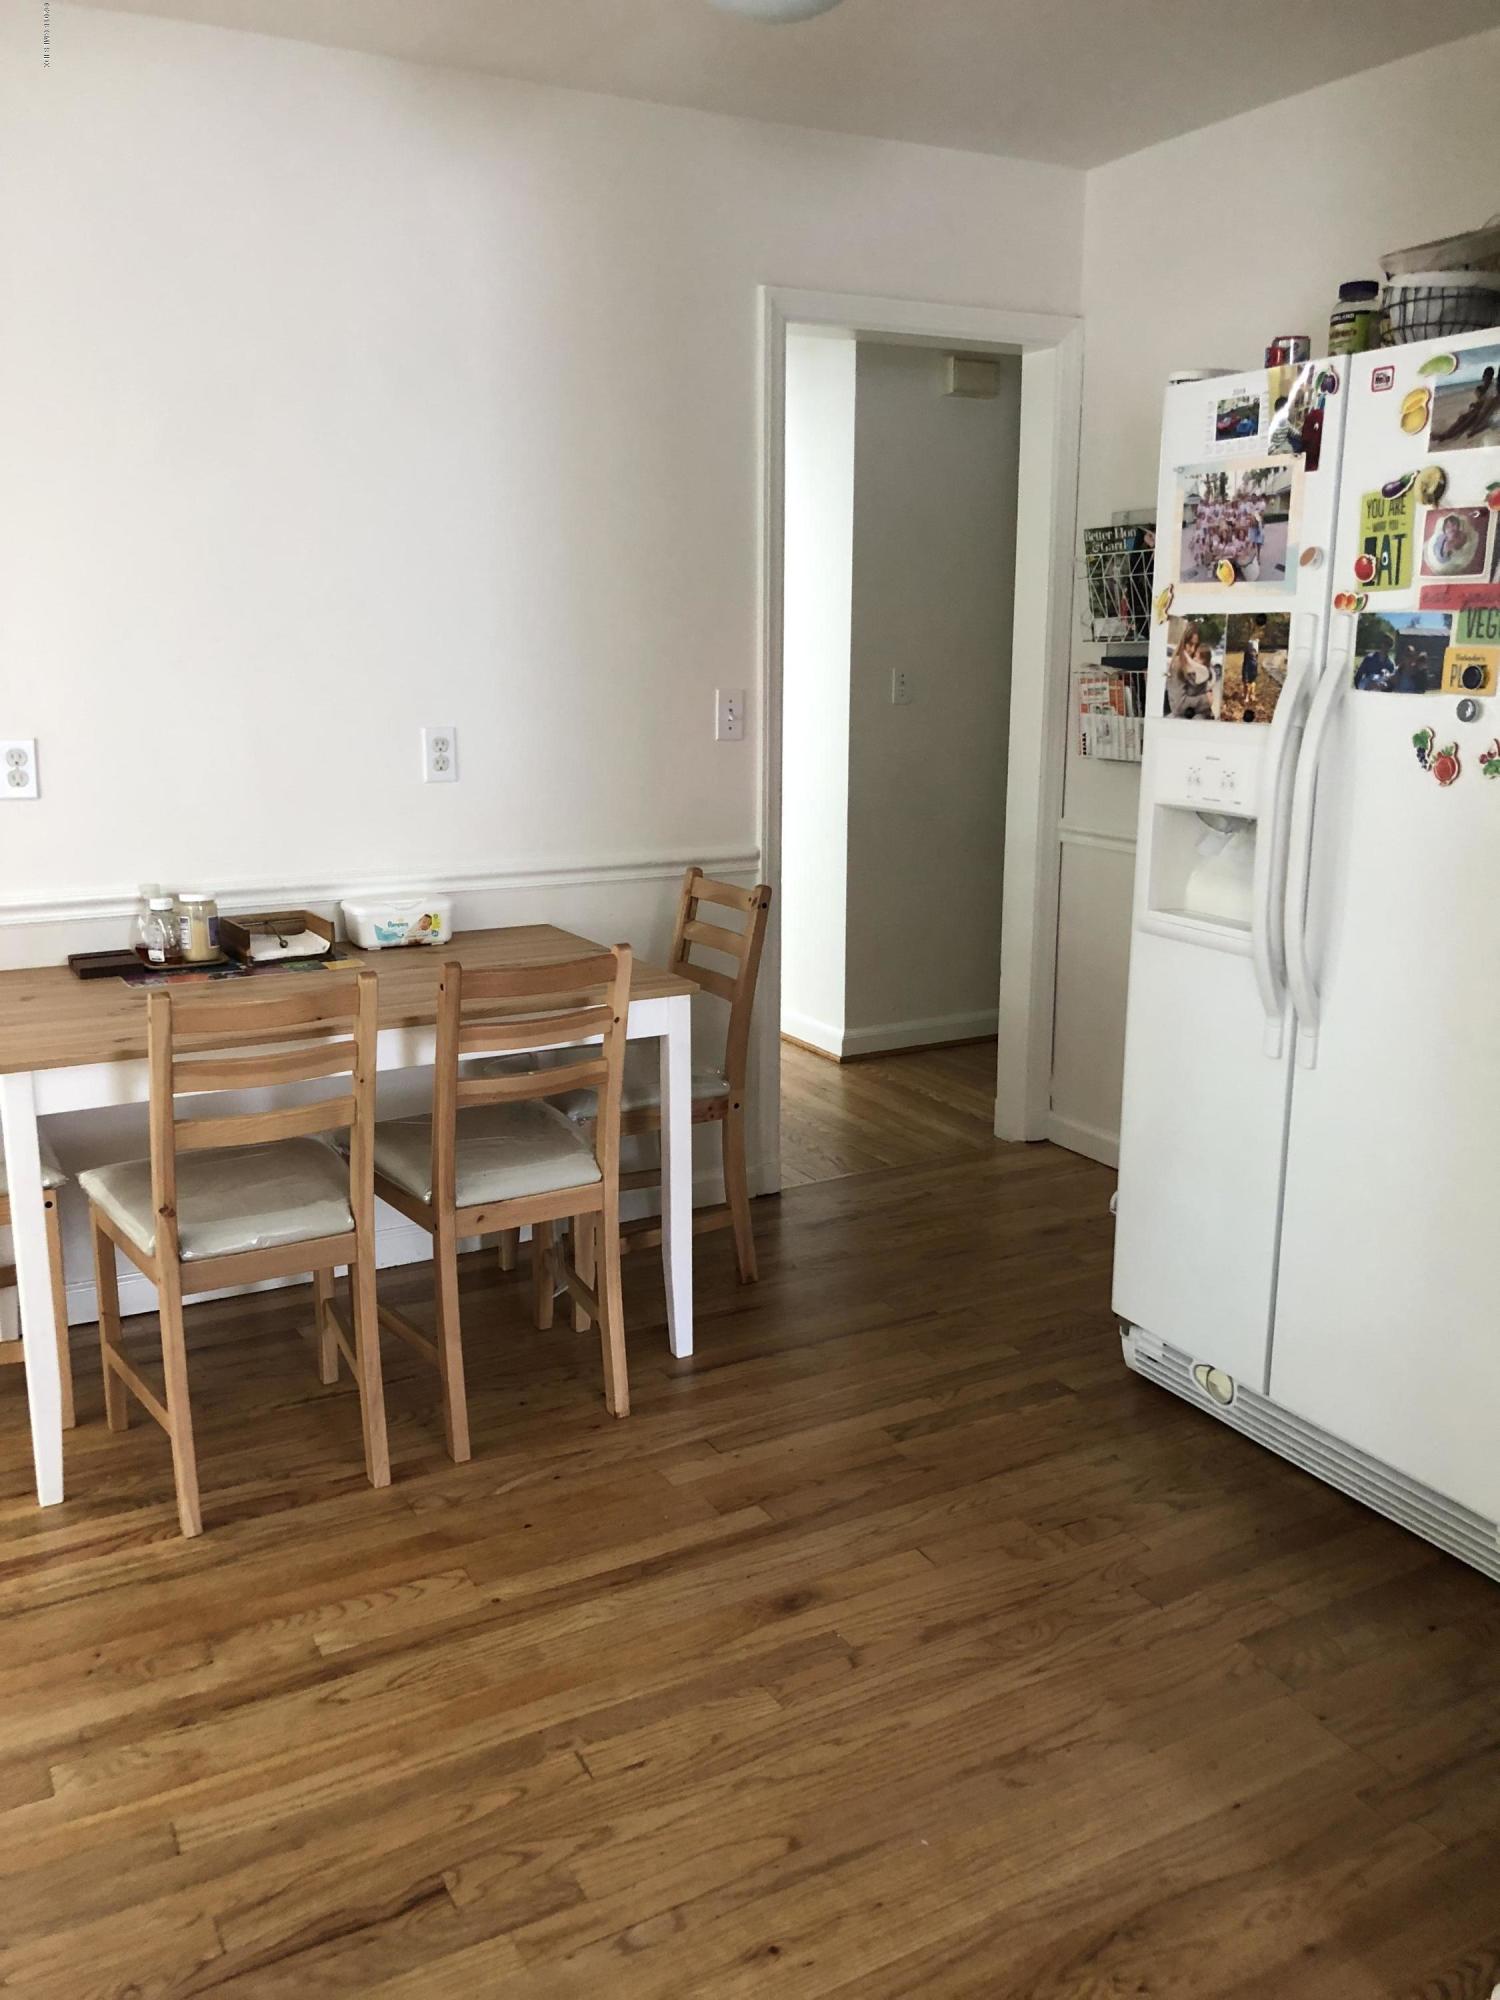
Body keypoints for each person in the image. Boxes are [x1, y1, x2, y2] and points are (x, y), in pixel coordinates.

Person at [1433, 365, 1498, 446]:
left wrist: (1478, 404)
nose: (1487, 379)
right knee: (1462, 418)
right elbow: (1481, 401)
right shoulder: (1480, 388)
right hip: (1478, 410)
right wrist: (1477, 403)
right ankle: (1446, 434)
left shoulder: (1493, 388)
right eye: (1486, 376)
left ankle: (1446, 436)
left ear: (1491, 377)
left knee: (1468, 419)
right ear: (1484, 377)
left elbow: (1488, 402)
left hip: (1484, 412)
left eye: (1489, 377)